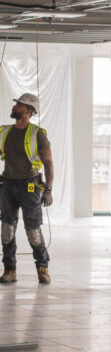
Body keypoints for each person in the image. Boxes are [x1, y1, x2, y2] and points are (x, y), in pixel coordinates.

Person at [0, 93, 54, 284]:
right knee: (6, 229)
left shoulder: (37, 133)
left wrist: (48, 188)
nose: (15, 107)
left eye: (19, 105)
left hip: (30, 185)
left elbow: (48, 162)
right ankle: (10, 270)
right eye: (16, 104)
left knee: (33, 231)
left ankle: (42, 268)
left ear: (29, 110)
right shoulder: (4, 132)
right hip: (7, 184)